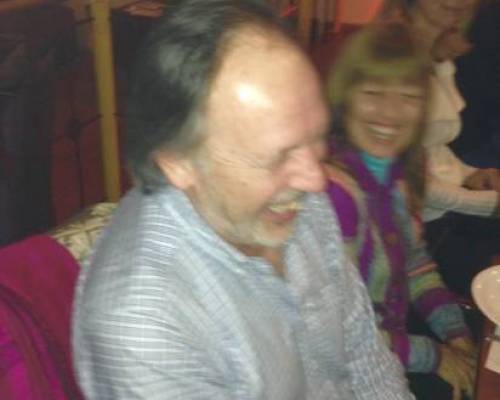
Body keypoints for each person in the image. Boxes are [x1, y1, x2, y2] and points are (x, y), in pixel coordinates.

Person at [72, 1, 414, 399]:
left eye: (316, 137)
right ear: (178, 162)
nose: (316, 179)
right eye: (277, 156)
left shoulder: (293, 193)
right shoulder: (144, 326)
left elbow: (363, 352)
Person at [325, 22, 476, 400]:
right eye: (373, 92)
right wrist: (432, 355)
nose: (391, 113)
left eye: (408, 96)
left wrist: (456, 334)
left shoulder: (400, 174)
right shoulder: (335, 196)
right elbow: (333, 332)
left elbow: (415, 263)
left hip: (390, 350)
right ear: (345, 97)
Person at [396, 0, 500, 298]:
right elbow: (410, 184)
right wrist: (488, 204)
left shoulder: (439, 51)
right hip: (425, 223)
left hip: (449, 204)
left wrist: (474, 174)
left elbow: (438, 147)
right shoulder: (394, 59)